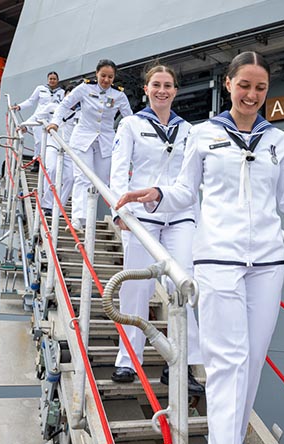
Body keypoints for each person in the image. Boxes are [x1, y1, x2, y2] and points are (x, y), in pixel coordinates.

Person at [115, 51, 284, 444]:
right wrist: (155, 194)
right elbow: (184, 191)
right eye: (244, 85)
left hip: (267, 263)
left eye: (260, 87)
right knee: (227, 362)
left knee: (254, 361)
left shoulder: (278, 140)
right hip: (217, 259)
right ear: (228, 84)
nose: (251, 94)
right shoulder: (202, 134)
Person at [108, 64, 204, 395]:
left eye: (168, 85)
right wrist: (118, 210)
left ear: (176, 90)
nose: (162, 90)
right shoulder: (131, 125)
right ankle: (127, 359)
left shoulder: (189, 131)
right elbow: (119, 169)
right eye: (156, 85)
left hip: (179, 216)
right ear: (146, 89)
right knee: (135, 288)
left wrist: (201, 220)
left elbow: (192, 181)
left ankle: (181, 363)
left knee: (185, 283)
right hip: (139, 217)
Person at [48, 59, 132, 231]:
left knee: (102, 181)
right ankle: (79, 219)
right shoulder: (85, 88)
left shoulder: (119, 95)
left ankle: (114, 215)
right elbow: (64, 105)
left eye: (110, 77)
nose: (106, 80)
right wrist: (55, 122)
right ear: (96, 74)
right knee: (82, 177)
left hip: (106, 141)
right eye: (103, 76)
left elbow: (129, 118)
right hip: (83, 138)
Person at [41, 84, 80, 217]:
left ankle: (59, 207)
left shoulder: (81, 114)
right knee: (51, 169)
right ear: (65, 95)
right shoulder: (53, 107)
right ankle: (47, 204)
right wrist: (25, 127)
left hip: (69, 148)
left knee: (70, 178)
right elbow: (38, 117)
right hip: (53, 143)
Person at [13, 71, 64, 171]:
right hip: (39, 119)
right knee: (39, 142)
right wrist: (20, 107)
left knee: (51, 143)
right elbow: (31, 101)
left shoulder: (61, 92)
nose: (52, 81)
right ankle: (37, 161)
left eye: (54, 79)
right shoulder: (40, 89)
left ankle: (48, 163)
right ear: (48, 79)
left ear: (57, 80)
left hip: (52, 121)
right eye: (50, 79)